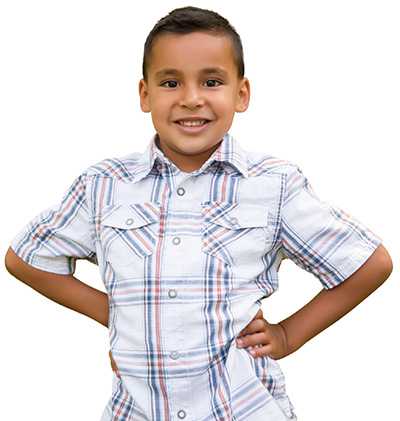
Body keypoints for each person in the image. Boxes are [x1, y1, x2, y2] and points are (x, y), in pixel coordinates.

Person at [4, 6, 393, 421]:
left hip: (243, 409)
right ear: (145, 95)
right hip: (137, 411)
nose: (191, 98)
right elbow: (27, 258)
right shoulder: (104, 185)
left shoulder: (273, 185)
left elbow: (368, 264)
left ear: (241, 94)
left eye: (211, 81)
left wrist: (287, 334)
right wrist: (119, 317)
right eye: (171, 82)